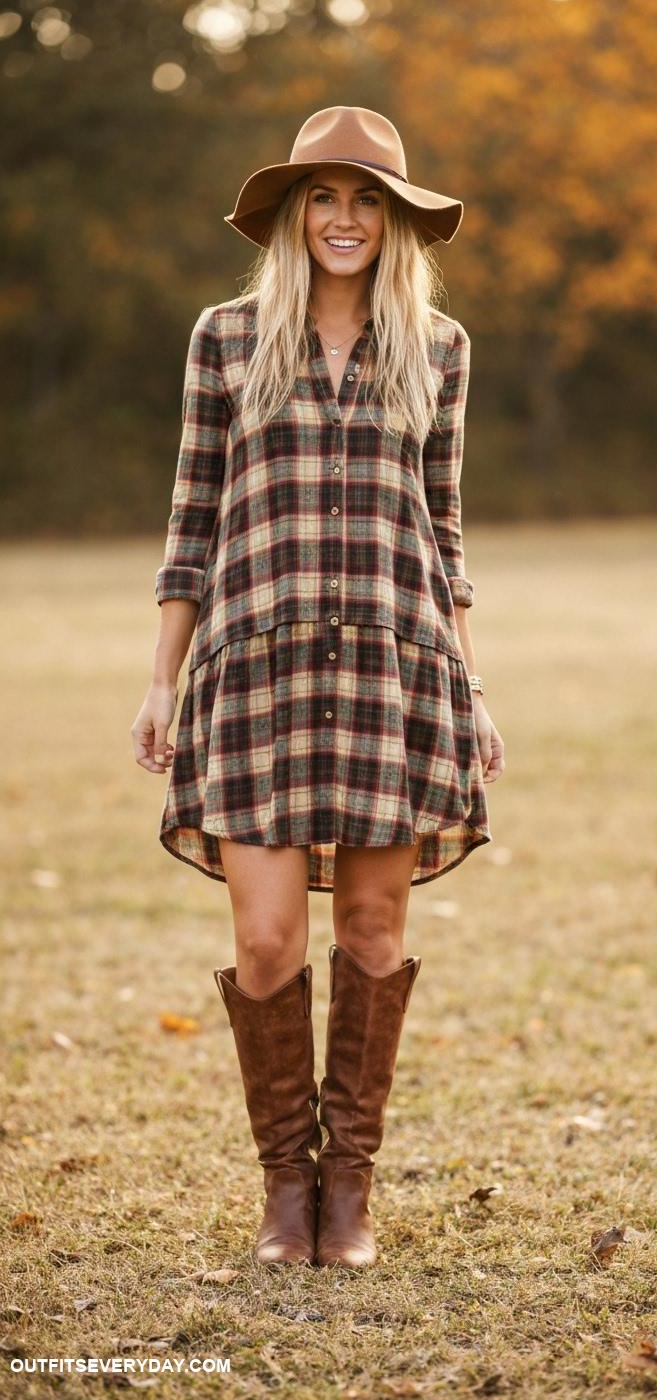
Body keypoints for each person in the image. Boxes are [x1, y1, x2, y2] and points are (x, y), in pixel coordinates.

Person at [130, 105, 505, 1270]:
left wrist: (472, 681)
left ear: (396, 222)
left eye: (368, 200)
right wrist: (161, 681)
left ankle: (347, 1195)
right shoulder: (225, 338)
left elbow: (440, 529)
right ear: (294, 215)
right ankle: (280, 1193)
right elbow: (193, 518)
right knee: (264, 940)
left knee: (380, 930)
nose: (345, 219)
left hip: (396, 670)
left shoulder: (439, 349)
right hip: (255, 670)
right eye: (324, 198)